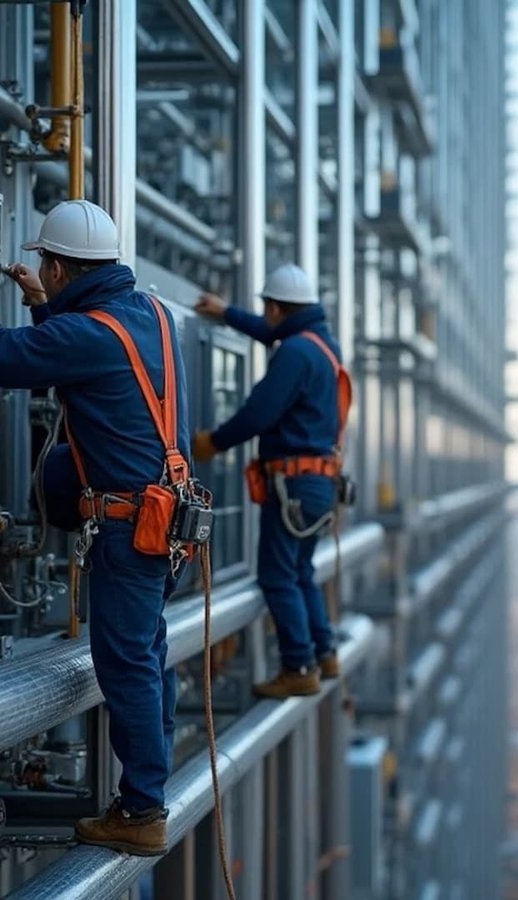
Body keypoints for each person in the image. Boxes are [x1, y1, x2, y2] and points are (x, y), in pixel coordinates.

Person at [0, 200, 190, 856]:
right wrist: (45, 307)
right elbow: (96, 361)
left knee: (128, 662)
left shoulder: (90, 334)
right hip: (167, 523)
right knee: (147, 657)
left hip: (129, 532)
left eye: (44, 269)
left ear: (57, 266)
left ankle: (142, 810)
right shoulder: (151, 316)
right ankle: (146, 792)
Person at [192, 264, 348, 699]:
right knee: (299, 570)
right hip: (318, 485)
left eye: (268, 310)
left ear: (277, 307)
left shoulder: (296, 353)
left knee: (278, 576)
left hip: (293, 487)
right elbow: (271, 332)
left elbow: (259, 414)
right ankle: (324, 652)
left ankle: (299, 665)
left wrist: (215, 442)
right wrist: (228, 314)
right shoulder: (322, 345)